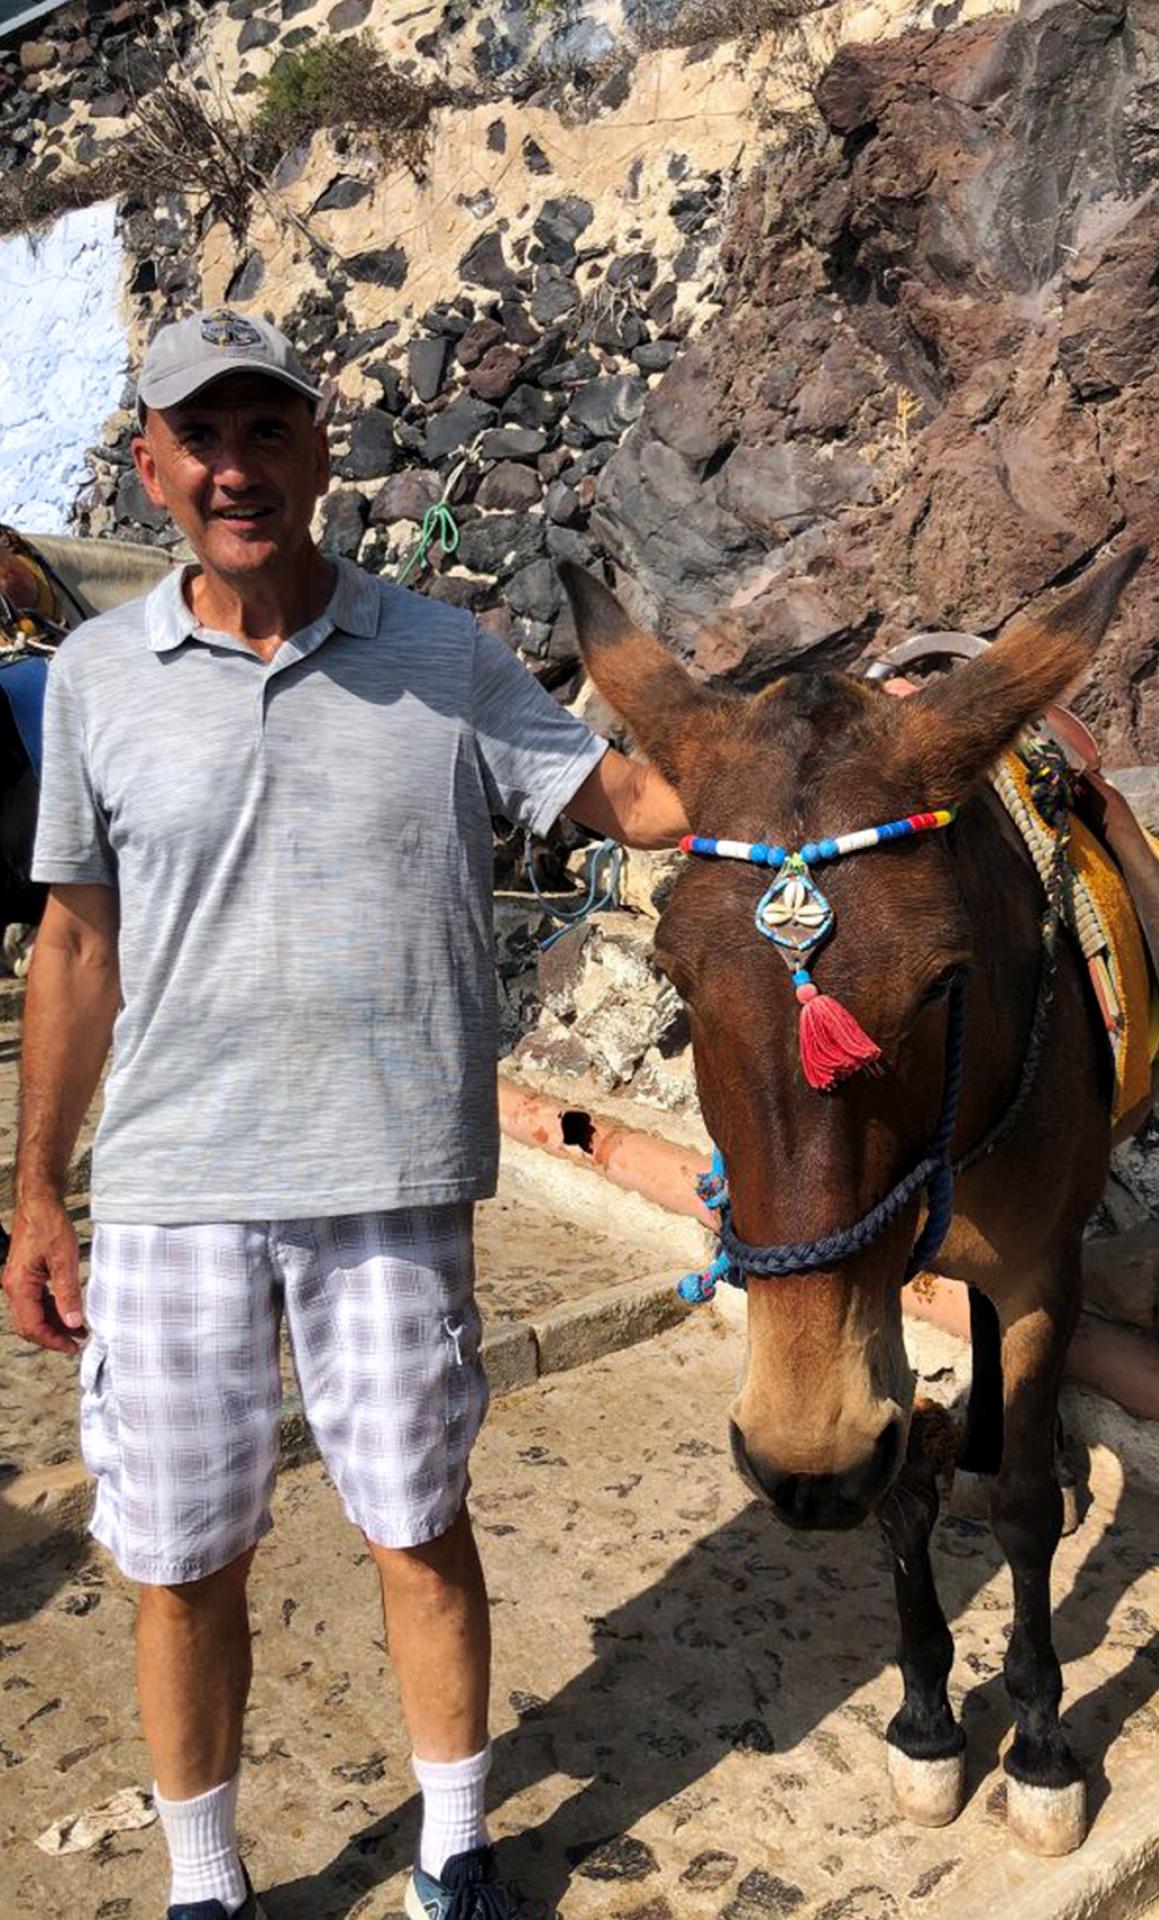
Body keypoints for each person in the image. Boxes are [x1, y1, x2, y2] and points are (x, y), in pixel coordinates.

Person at [2, 308, 689, 1920]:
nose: (236, 469)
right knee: (179, 1561)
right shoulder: (94, 680)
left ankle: (455, 1848)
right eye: (204, 438)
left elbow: (641, 803)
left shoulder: (443, 660)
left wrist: (800, 738)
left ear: (320, 455)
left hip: (388, 1182)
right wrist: (38, 1193)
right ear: (154, 466)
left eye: (268, 433)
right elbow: (77, 946)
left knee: (416, 1521)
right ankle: (204, 1882)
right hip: (171, 1193)